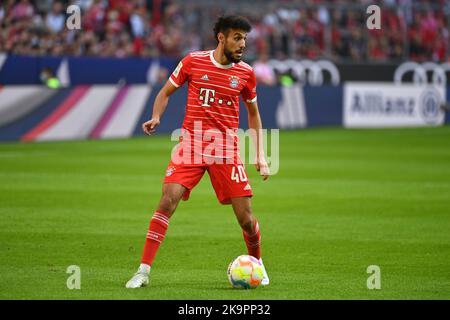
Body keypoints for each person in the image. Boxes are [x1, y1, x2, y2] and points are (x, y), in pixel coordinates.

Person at [125, 15, 270, 288]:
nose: (242, 44)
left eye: (245, 39)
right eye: (237, 38)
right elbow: (165, 92)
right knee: (168, 200)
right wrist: (156, 116)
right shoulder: (193, 61)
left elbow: (254, 114)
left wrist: (260, 155)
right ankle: (143, 271)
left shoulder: (246, 73)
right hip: (190, 145)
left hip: (225, 149)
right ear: (221, 38)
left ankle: (258, 265)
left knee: (246, 219)